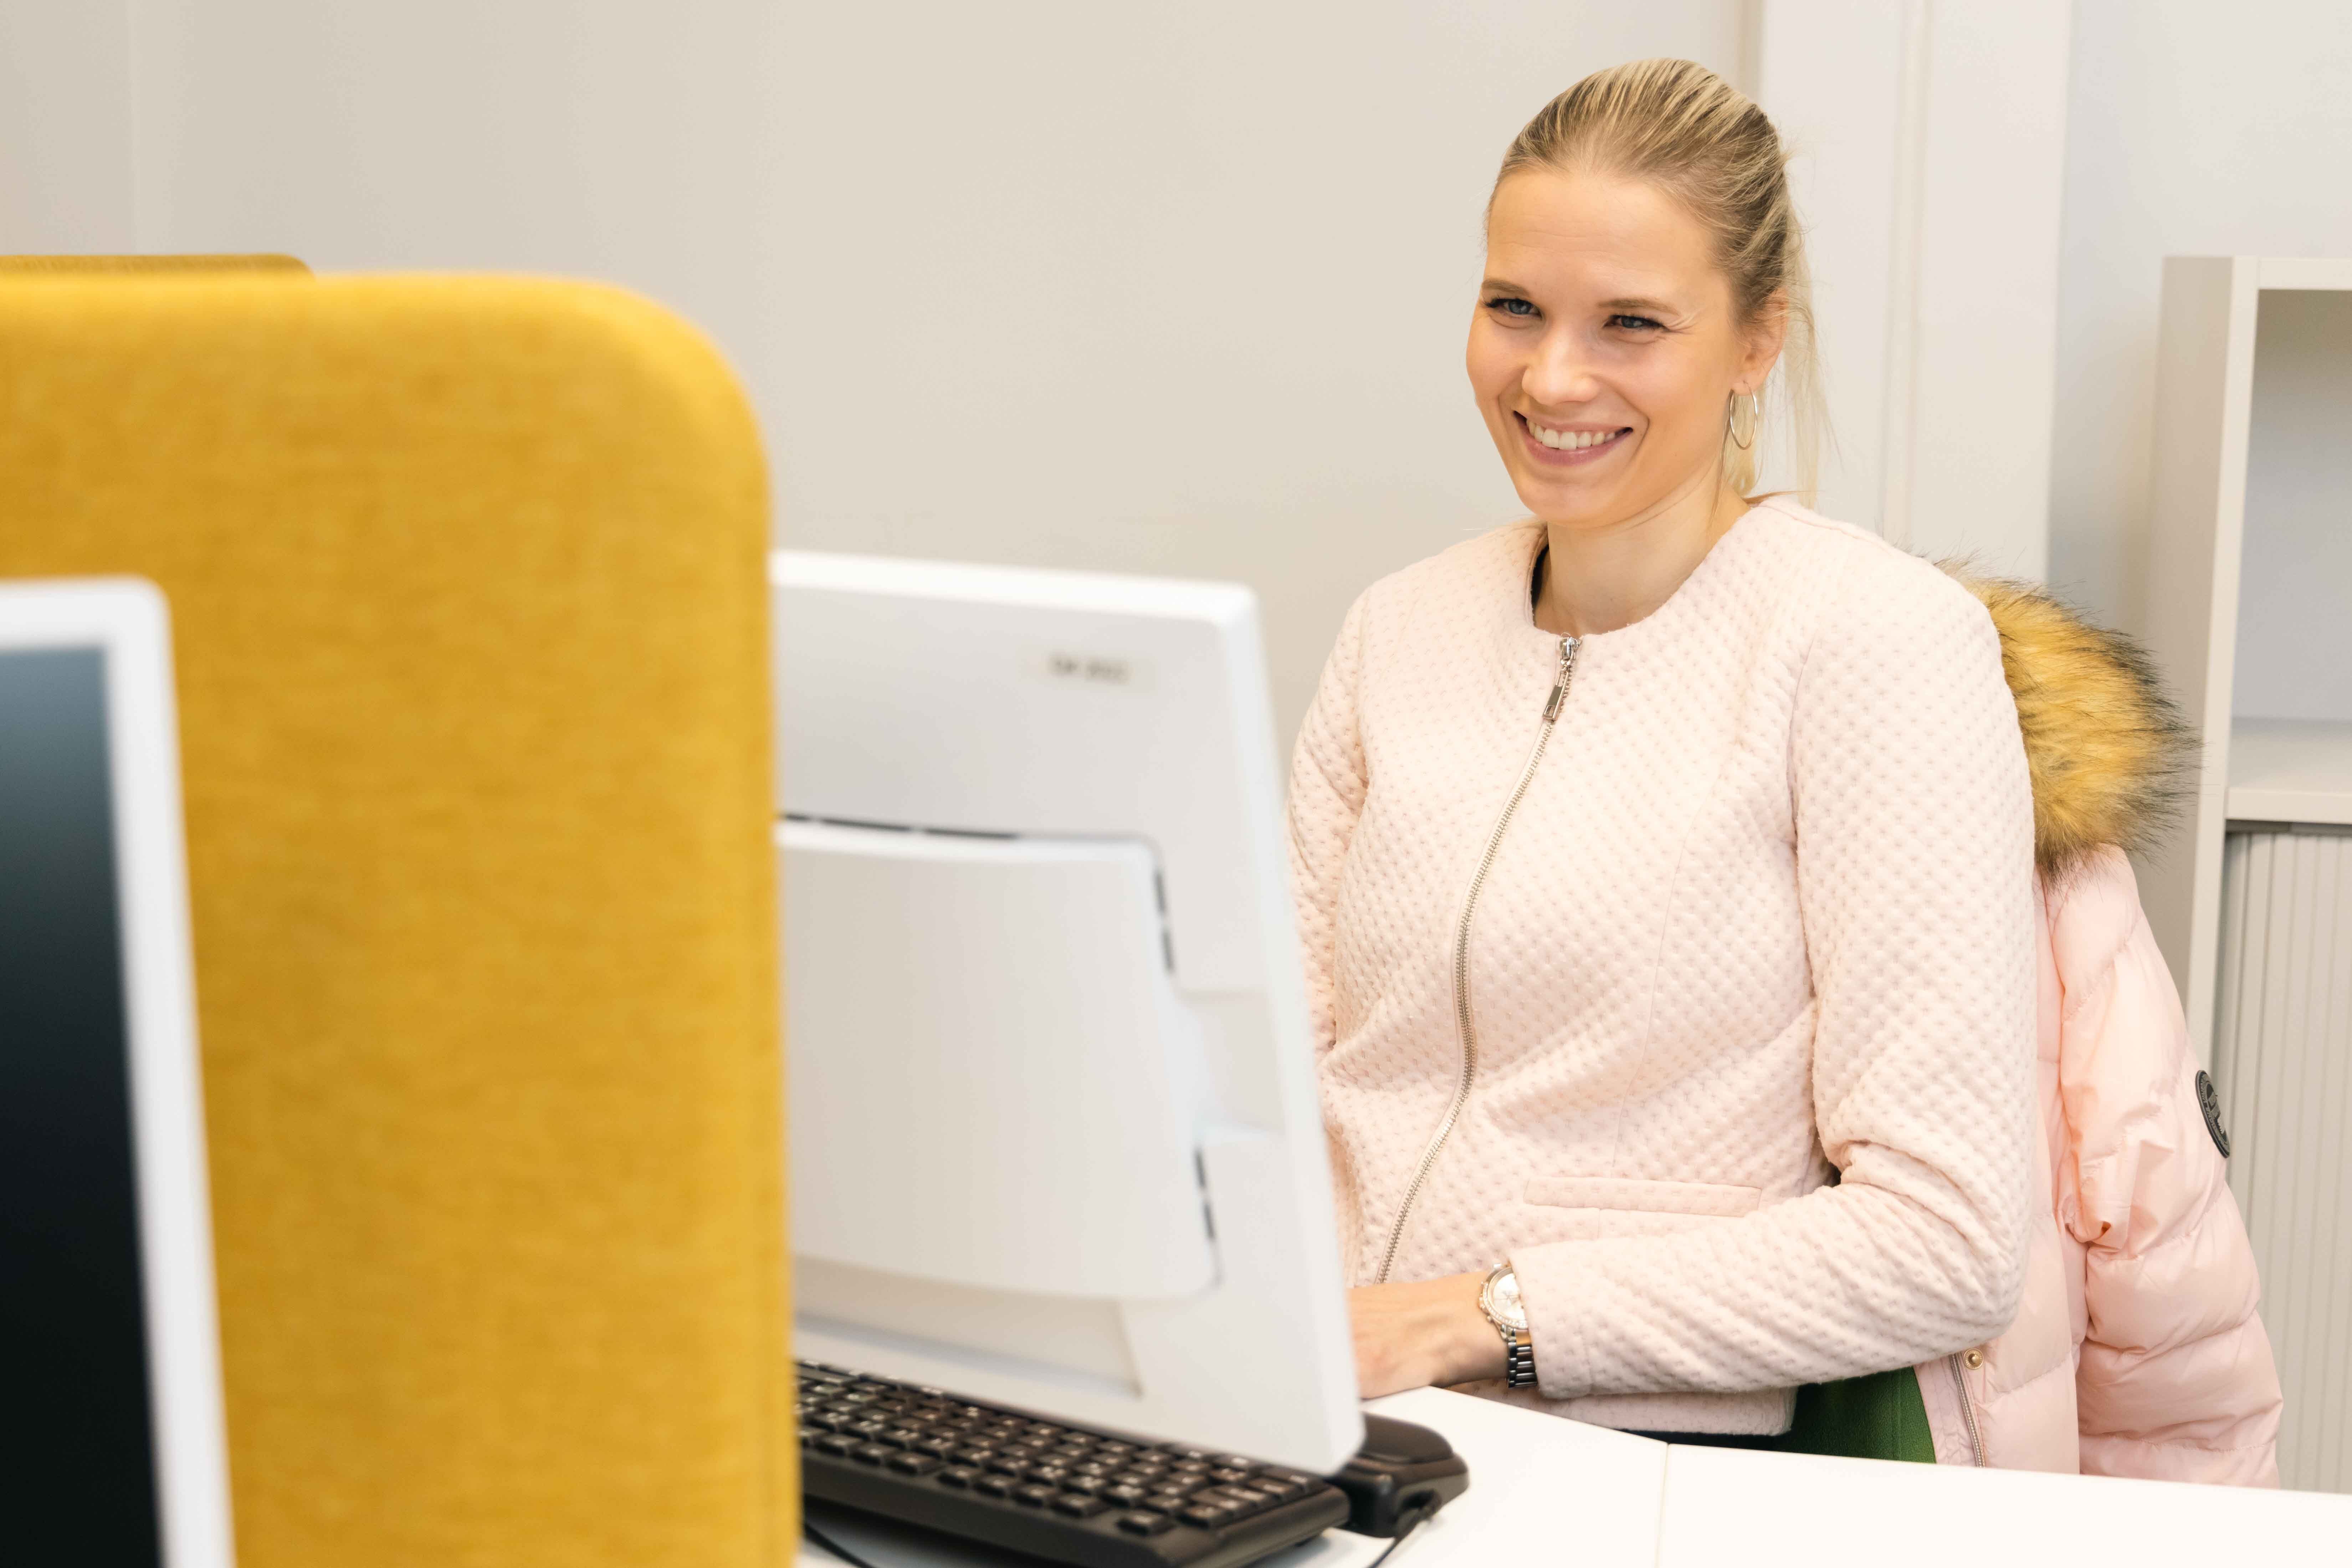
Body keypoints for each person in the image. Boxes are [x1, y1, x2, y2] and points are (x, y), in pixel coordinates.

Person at [1289, 56, 2285, 1475]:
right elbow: (1261, 1081)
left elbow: (1944, 1243)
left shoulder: (1876, 648)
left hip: (1657, 1463)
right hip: (1337, 1435)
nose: (1551, 375)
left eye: (1631, 323)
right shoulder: (1399, 632)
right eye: (1515, 306)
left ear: (1759, 340)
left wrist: (1474, 1319)